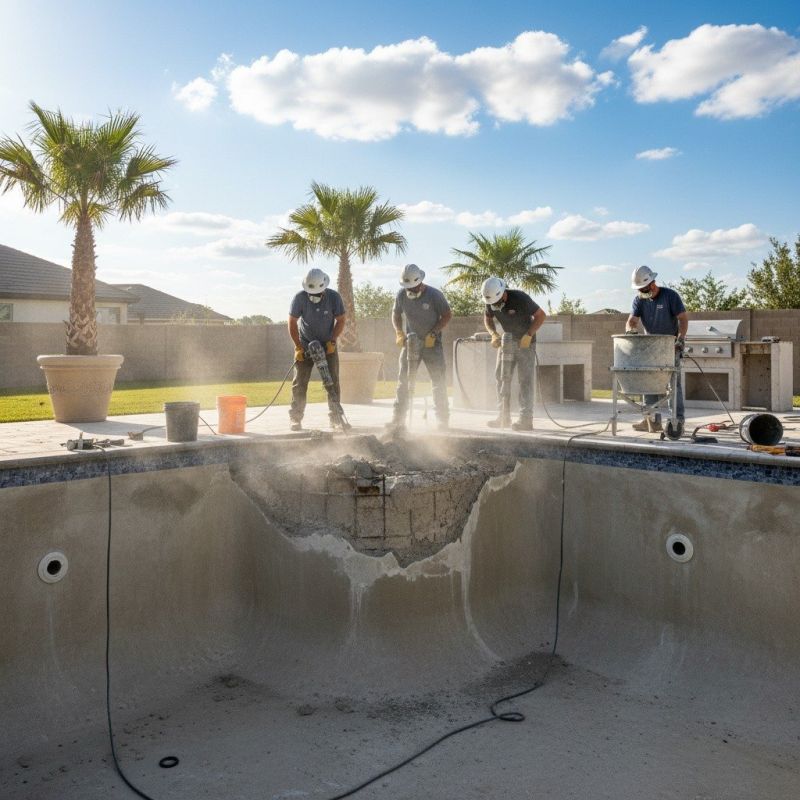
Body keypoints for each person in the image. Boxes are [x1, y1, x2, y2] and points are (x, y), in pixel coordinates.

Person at [625, 265, 689, 432]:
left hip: (671, 347)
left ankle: (677, 420)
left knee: (673, 385)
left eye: (643, 289)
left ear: (652, 284)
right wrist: (630, 329)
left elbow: (683, 319)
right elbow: (632, 320)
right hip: (650, 348)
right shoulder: (639, 299)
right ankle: (651, 420)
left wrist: (680, 339)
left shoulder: (670, 296)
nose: (641, 292)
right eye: (639, 289)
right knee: (649, 384)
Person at [389, 264, 452, 430]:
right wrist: (399, 332)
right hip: (411, 343)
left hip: (433, 345)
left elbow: (447, 315)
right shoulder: (401, 295)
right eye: (408, 287)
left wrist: (434, 332)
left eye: (414, 287)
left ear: (420, 282)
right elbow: (396, 314)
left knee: (438, 381)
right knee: (403, 381)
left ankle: (442, 419)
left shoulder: (434, 295)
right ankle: (398, 419)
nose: (411, 290)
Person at [481, 277, 546, 431]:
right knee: (502, 378)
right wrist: (493, 334)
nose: (495, 306)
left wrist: (529, 334)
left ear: (503, 293)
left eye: (497, 302)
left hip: (526, 343)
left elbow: (541, 315)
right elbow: (487, 318)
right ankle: (503, 416)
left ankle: (526, 420)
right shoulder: (490, 300)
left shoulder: (520, 298)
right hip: (507, 341)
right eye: (492, 304)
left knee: (525, 381)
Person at [287, 268, 346, 431]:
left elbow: (341, 320)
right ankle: (295, 418)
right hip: (306, 345)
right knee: (299, 383)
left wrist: (332, 341)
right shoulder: (299, 298)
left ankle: (335, 419)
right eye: (312, 293)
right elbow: (292, 323)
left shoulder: (334, 297)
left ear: (324, 288)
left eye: (318, 293)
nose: (315, 296)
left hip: (328, 346)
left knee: (332, 382)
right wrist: (298, 347)